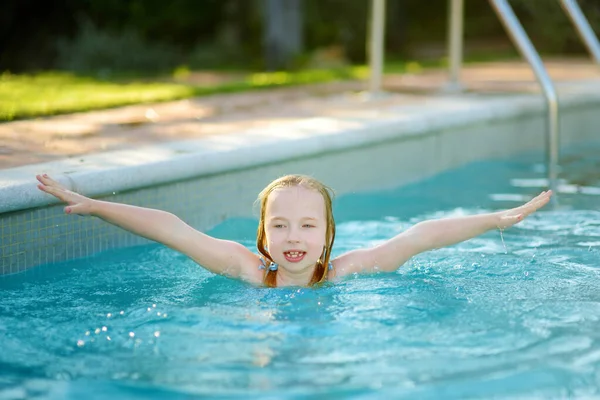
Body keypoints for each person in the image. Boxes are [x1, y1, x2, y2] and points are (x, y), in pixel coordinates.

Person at [36, 173, 553, 288]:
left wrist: (494, 220)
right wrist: (96, 206)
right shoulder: (246, 268)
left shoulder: (345, 271)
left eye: (308, 225)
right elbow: (173, 230)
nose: (293, 236)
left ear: (328, 237)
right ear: (262, 236)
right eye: (279, 225)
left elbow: (419, 237)